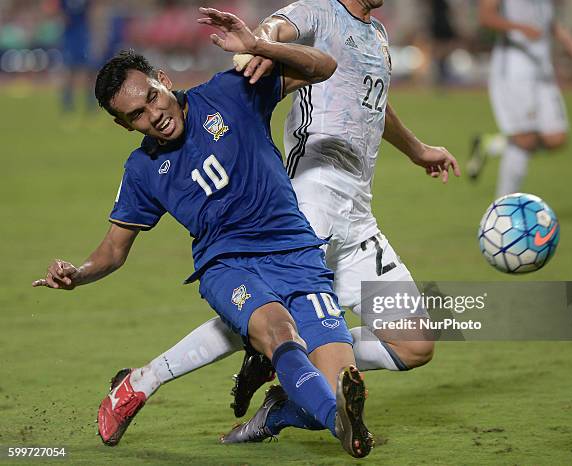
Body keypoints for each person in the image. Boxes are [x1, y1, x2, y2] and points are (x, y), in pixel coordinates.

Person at [32, 8, 373, 459]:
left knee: (327, 384)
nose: (154, 115)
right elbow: (114, 250)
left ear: (161, 77)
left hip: (296, 252)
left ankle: (280, 414)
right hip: (227, 266)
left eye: (152, 97)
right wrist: (78, 272)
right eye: (136, 115)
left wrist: (259, 46)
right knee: (279, 333)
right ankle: (342, 426)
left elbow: (324, 67)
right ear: (124, 125)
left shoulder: (231, 92)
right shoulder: (142, 170)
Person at [116, 0, 460, 443]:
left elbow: (372, 104)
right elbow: (275, 28)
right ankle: (149, 377)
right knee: (263, 315)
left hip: (357, 214)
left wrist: (416, 150)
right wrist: (257, 45)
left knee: (415, 344)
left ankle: (281, 398)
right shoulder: (318, 11)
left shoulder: (376, 35)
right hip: (310, 202)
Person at [467, 0, 572, 197]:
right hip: (514, 68)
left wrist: (571, 42)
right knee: (525, 139)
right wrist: (519, 28)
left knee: (556, 137)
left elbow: (546, 19)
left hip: (542, 69)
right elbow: (485, 16)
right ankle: (503, 210)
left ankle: (491, 145)